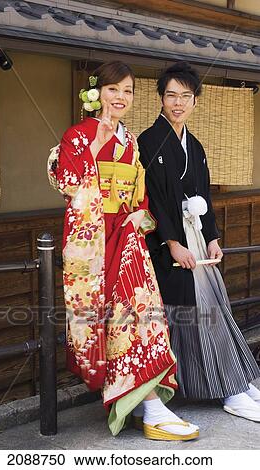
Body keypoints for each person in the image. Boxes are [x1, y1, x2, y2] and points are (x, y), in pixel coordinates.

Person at [47, 61, 199, 440]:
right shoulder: (77, 135)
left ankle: (147, 405)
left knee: (142, 316)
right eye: (114, 89)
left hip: (126, 239)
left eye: (128, 91)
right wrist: (96, 146)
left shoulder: (131, 141)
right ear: (98, 93)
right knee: (108, 324)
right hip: (93, 241)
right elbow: (68, 184)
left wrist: (137, 218)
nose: (121, 97)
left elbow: (141, 196)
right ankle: (140, 405)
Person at [138, 61, 260, 422]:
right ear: (160, 99)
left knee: (213, 307)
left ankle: (236, 381)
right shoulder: (148, 141)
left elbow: (203, 193)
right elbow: (153, 199)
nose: (178, 103)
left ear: (195, 101)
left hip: (195, 239)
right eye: (171, 95)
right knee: (192, 315)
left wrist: (212, 238)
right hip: (168, 244)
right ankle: (228, 389)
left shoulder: (196, 145)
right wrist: (172, 243)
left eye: (185, 97)